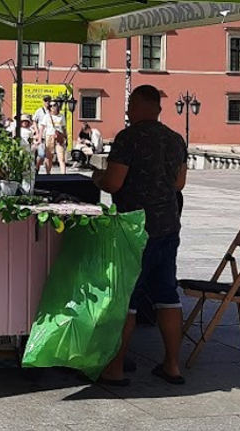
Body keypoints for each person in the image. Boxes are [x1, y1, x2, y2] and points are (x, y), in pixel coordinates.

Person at [93, 85, 188, 387]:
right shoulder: (175, 139)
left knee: (127, 299)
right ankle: (172, 365)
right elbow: (179, 184)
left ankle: (115, 368)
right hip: (168, 227)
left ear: (135, 106)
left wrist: (96, 176)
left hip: (135, 229)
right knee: (167, 297)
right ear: (158, 109)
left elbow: (114, 183)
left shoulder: (128, 138)